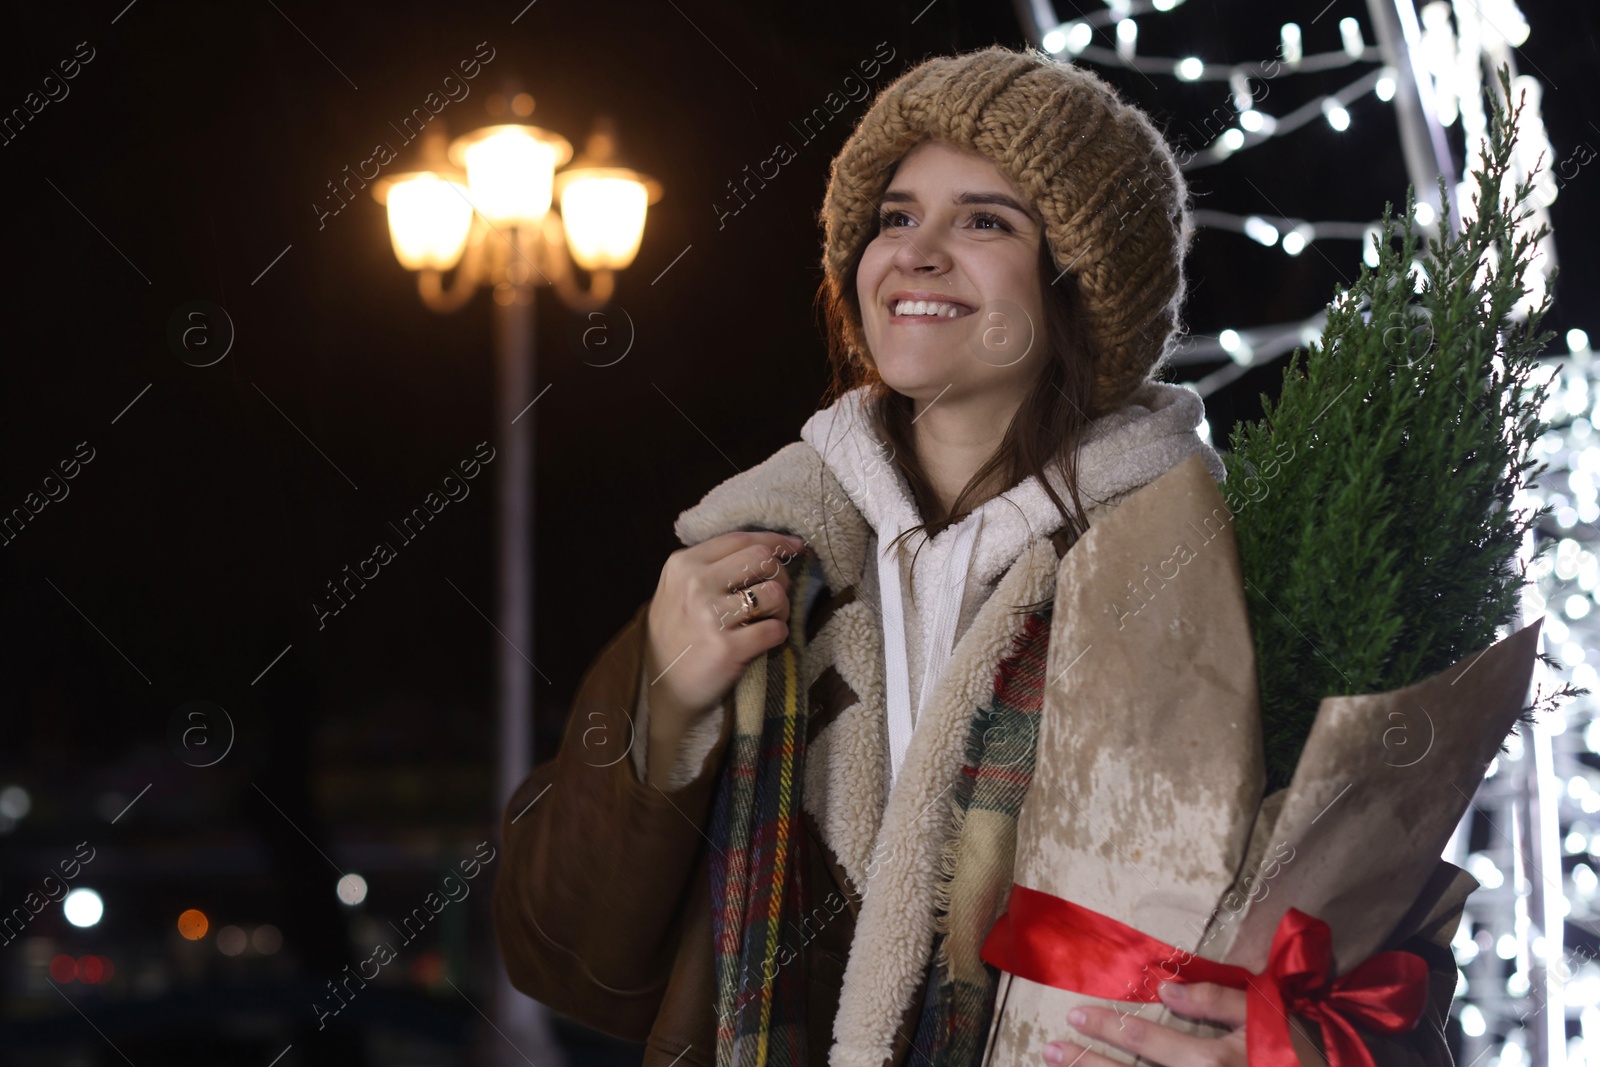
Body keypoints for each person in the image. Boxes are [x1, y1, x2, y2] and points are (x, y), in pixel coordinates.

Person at [492, 45, 1460, 1067]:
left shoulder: (1223, 581)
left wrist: (1286, 1047)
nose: (913, 251)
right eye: (895, 216)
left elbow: (1383, 967)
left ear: (1080, 282)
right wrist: (666, 709)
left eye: (984, 219)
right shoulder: (758, 561)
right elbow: (557, 957)